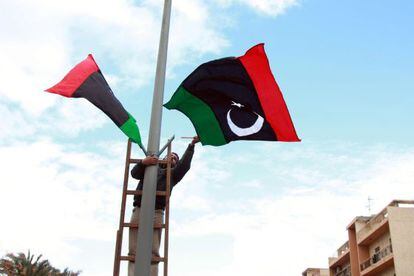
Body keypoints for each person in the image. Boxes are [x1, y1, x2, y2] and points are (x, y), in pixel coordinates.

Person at [128, 136, 200, 276]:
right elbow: (134, 173)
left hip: (157, 211)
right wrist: (143, 162)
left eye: (175, 158)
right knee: (133, 249)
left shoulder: (172, 174)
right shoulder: (150, 167)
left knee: (153, 250)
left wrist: (191, 145)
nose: (172, 158)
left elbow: (184, 165)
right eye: (170, 155)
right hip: (139, 208)